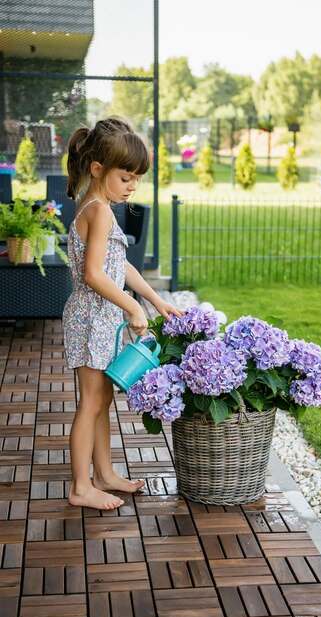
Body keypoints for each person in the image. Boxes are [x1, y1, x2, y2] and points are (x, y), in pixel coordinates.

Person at [62, 117, 183, 511]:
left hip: (101, 318)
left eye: (136, 179)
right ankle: (81, 486)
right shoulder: (98, 211)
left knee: (103, 400)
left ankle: (105, 474)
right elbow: (93, 274)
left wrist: (153, 299)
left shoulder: (103, 209)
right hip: (91, 318)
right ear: (98, 170)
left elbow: (120, 266)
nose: (132, 186)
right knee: (91, 403)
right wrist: (131, 306)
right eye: (126, 177)